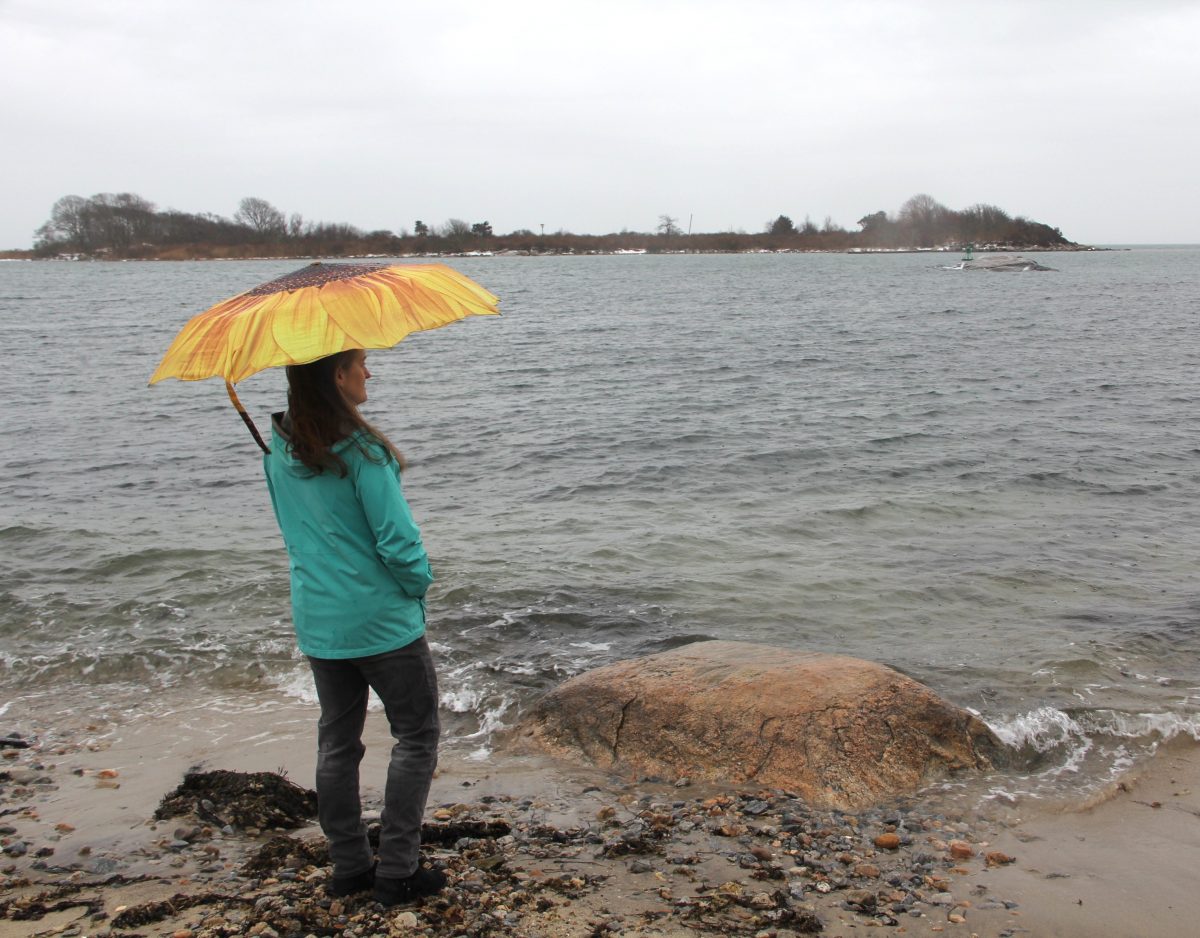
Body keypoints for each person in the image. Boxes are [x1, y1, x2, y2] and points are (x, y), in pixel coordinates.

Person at [262, 347, 445, 906]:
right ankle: (397, 870)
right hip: (382, 624)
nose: (370, 372)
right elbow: (398, 542)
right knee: (416, 737)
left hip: (320, 620)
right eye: (361, 363)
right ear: (336, 376)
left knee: (338, 742)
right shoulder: (365, 453)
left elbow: (299, 531)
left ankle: (348, 867)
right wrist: (418, 584)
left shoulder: (278, 447)